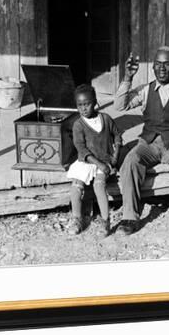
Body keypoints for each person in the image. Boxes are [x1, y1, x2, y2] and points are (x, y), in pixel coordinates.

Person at [115, 46, 169, 240]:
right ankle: (130, 217)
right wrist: (128, 78)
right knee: (130, 161)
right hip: (149, 143)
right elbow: (119, 105)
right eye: (157, 64)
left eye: (167, 64)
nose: (162, 68)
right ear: (152, 67)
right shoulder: (145, 91)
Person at [67, 84, 121, 237]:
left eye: (87, 104)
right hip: (88, 160)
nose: (84, 108)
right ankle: (77, 218)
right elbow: (81, 149)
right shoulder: (78, 125)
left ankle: (105, 220)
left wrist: (115, 155)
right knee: (76, 186)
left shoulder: (105, 119)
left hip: (104, 159)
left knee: (99, 185)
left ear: (95, 102)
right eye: (80, 105)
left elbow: (117, 135)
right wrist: (99, 164)